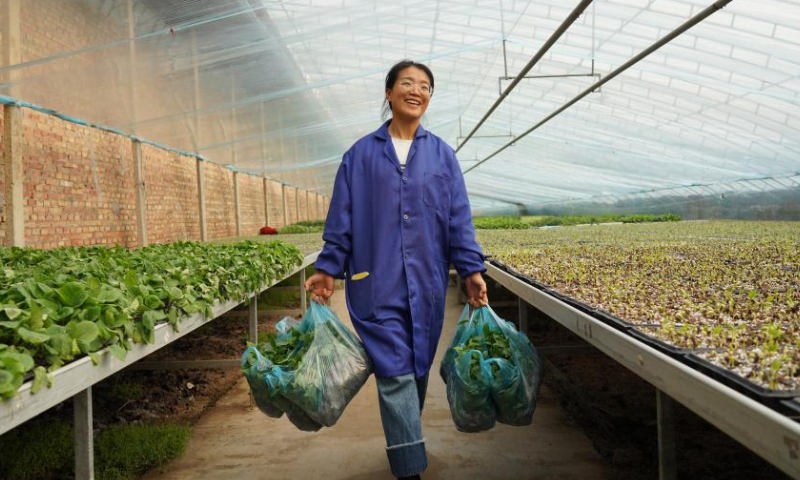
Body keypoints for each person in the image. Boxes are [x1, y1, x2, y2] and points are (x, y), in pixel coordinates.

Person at [304, 59, 488, 480]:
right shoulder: (360, 155)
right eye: (407, 83)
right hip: (375, 282)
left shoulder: (442, 156)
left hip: (426, 282)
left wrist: (471, 269)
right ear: (388, 93)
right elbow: (342, 218)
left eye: (425, 86)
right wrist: (328, 268)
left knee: (417, 367)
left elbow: (458, 218)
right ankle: (409, 469)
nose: (416, 90)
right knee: (395, 372)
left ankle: (407, 439)